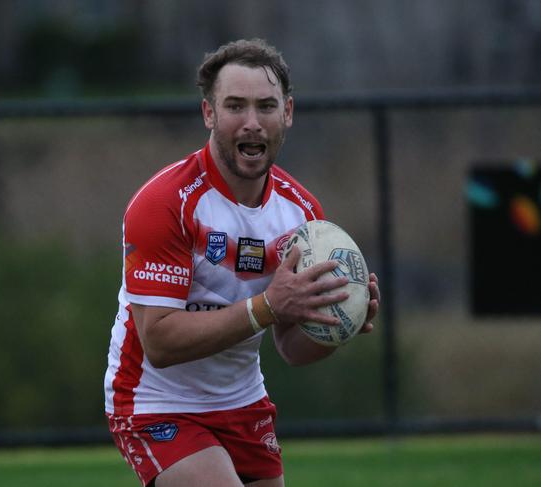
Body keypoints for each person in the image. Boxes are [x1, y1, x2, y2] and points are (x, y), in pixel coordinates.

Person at [104, 38, 380, 487]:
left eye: (266, 106)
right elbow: (159, 341)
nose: (252, 123)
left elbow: (290, 348)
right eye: (235, 106)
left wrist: (336, 322)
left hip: (243, 400)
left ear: (287, 113)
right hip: (154, 399)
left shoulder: (303, 215)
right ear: (209, 114)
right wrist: (269, 306)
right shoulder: (165, 203)